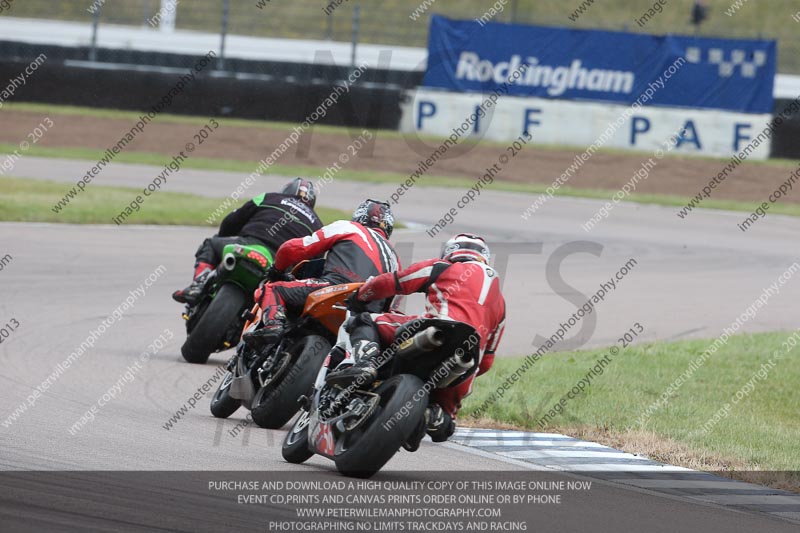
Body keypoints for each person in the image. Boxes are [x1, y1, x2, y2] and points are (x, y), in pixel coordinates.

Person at [327, 233, 505, 442]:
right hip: (466, 362)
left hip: (436, 327)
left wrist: (360, 295)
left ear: (450, 252)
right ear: (485, 257)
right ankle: (434, 414)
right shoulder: (501, 304)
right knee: (445, 424)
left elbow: (393, 282)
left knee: (365, 320)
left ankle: (365, 364)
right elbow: (487, 362)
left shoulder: (443, 267)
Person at [243, 199, 399, 348]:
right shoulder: (394, 258)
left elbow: (293, 248)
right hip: (366, 314)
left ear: (359, 216)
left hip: (336, 287)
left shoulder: (349, 227)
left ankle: (273, 326)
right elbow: (392, 303)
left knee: (272, 289)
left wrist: (277, 269)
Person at [172, 178, 321, 305]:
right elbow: (314, 264)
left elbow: (231, 222)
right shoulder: (318, 224)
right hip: (280, 267)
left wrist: (224, 237)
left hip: (247, 244)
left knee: (211, 244)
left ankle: (197, 285)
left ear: (286, 190)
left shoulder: (269, 197)